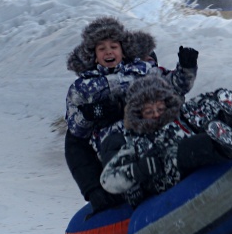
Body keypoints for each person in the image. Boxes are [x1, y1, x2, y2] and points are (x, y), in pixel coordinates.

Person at [64, 16, 198, 212]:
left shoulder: (143, 70)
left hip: (148, 127)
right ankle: (131, 188)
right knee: (117, 146)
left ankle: (192, 156)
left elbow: (174, 87)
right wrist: (94, 113)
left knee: (175, 125)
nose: (108, 51)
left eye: (113, 46)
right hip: (113, 138)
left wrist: (186, 68)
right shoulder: (83, 86)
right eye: (101, 48)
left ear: (123, 50)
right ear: (93, 55)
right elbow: (75, 128)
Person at [99, 76, 232, 207]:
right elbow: (107, 180)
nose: (156, 115)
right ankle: (226, 146)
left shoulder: (179, 114)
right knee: (189, 148)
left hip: (195, 142)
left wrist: (214, 100)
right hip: (168, 173)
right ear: (138, 114)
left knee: (200, 110)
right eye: (149, 112)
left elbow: (192, 110)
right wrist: (140, 168)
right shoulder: (134, 140)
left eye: (160, 108)